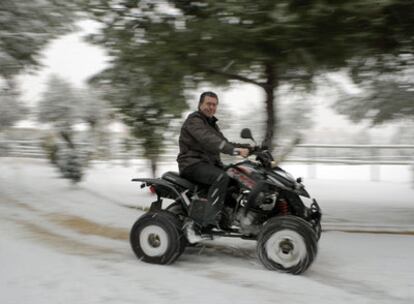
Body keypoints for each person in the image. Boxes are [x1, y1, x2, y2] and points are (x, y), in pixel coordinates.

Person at [177, 91, 249, 229]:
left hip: (208, 164)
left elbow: (223, 141)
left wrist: (249, 148)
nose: (211, 107)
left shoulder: (212, 124)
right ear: (200, 105)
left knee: (236, 175)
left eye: (214, 105)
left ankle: (229, 215)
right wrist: (233, 150)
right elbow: (209, 140)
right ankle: (209, 220)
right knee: (221, 177)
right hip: (192, 163)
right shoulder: (194, 120)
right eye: (208, 104)